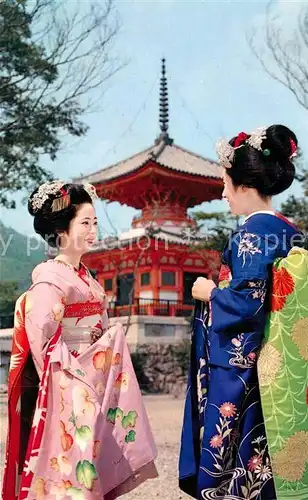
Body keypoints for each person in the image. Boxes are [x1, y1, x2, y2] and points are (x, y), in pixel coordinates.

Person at [179, 125, 308, 499]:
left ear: (244, 185)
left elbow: (248, 302)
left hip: (248, 364)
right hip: (284, 363)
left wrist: (210, 292)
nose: (222, 193)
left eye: (224, 184)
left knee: (238, 458)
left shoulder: (251, 234)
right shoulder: (288, 230)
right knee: (272, 455)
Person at [3, 181, 157, 500]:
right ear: (61, 230)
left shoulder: (85, 276)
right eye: (85, 223)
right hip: (69, 385)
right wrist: (74, 381)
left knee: (87, 469)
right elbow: (43, 343)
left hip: (91, 378)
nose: (93, 230)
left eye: (95, 222)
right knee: (69, 475)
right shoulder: (49, 279)